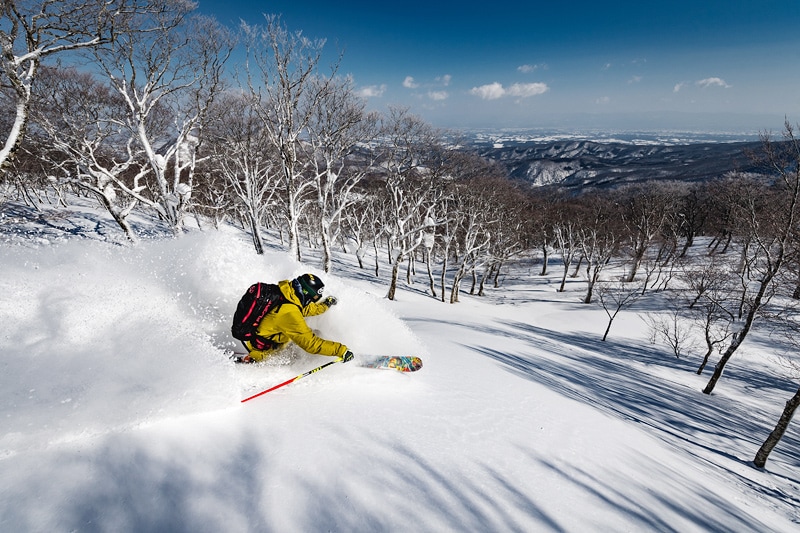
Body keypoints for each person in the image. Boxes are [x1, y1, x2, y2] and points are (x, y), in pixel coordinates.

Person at [236, 273, 354, 364]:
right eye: (312, 299)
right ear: (306, 294)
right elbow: (310, 344)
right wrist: (341, 350)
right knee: (312, 338)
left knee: (315, 333)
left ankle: (324, 351)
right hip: (265, 351)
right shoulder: (289, 313)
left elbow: (305, 309)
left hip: (266, 338)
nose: (312, 302)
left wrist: (325, 305)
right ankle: (253, 358)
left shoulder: (287, 295)